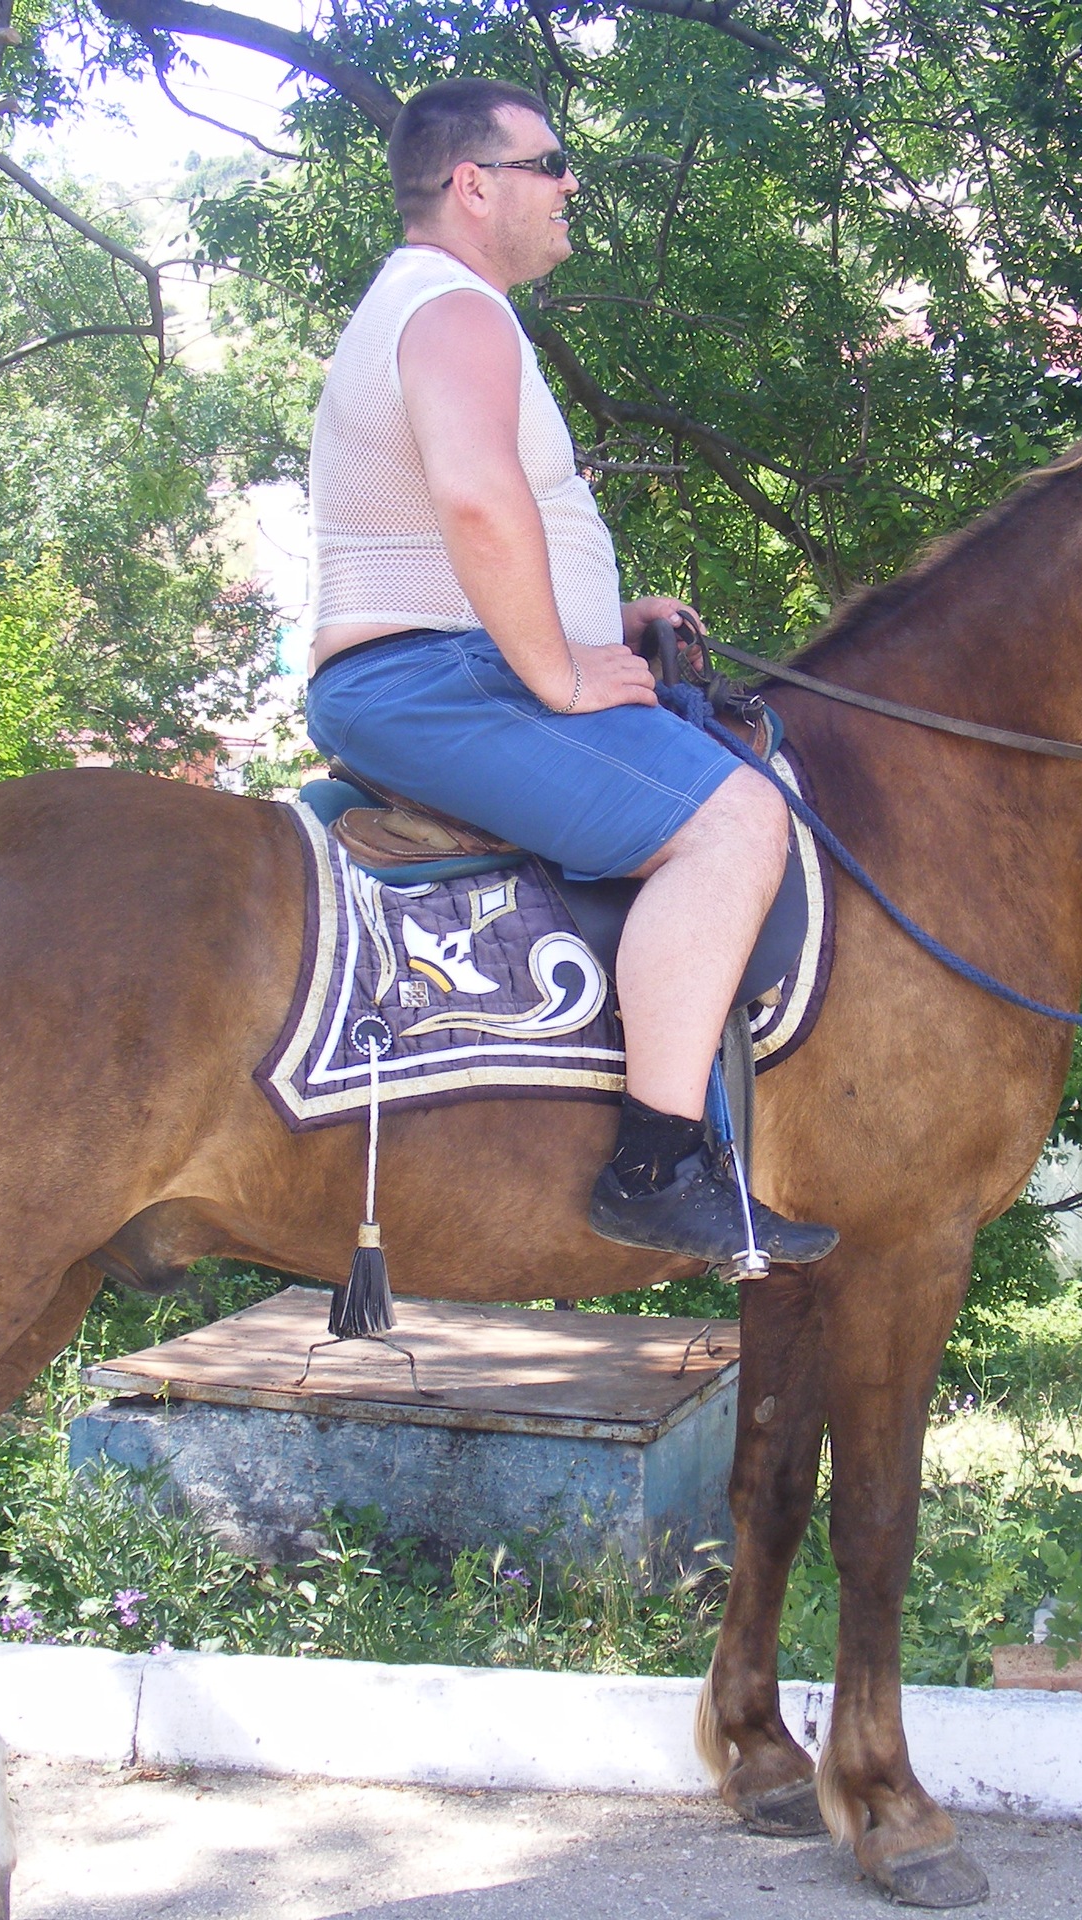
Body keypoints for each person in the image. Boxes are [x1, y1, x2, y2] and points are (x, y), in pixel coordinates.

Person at [303, 77, 835, 1268]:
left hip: (436, 665)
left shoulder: (435, 307)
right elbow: (474, 500)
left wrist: (602, 619)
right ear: (473, 185)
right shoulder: (455, 310)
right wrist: (561, 674)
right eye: (547, 163)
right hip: (434, 677)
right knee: (735, 823)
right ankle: (658, 1168)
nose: (568, 183)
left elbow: (477, 520)